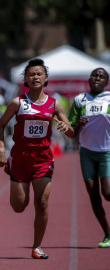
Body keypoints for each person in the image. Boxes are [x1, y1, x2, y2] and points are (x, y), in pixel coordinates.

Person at [0, 58, 74, 259]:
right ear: (26, 80)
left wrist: (68, 129)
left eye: (39, 73)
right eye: (31, 74)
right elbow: (0, 125)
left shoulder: (55, 105)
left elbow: (72, 133)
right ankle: (18, 187)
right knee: (19, 207)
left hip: (43, 158)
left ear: (46, 78)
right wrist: (2, 150)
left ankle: (37, 247)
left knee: (42, 203)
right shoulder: (17, 102)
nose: (36, 77)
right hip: (20, 159)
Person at [68, 67, 110, 248]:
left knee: (107, 193)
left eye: (101, 77)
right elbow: (70, 132)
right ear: (89, 79)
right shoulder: (79, 100)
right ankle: (107, 234)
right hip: (86, 152)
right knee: (93, 196)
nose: (97, 78)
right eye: (94, 75)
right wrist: (78, 124)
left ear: (106, 83)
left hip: (106, 152)